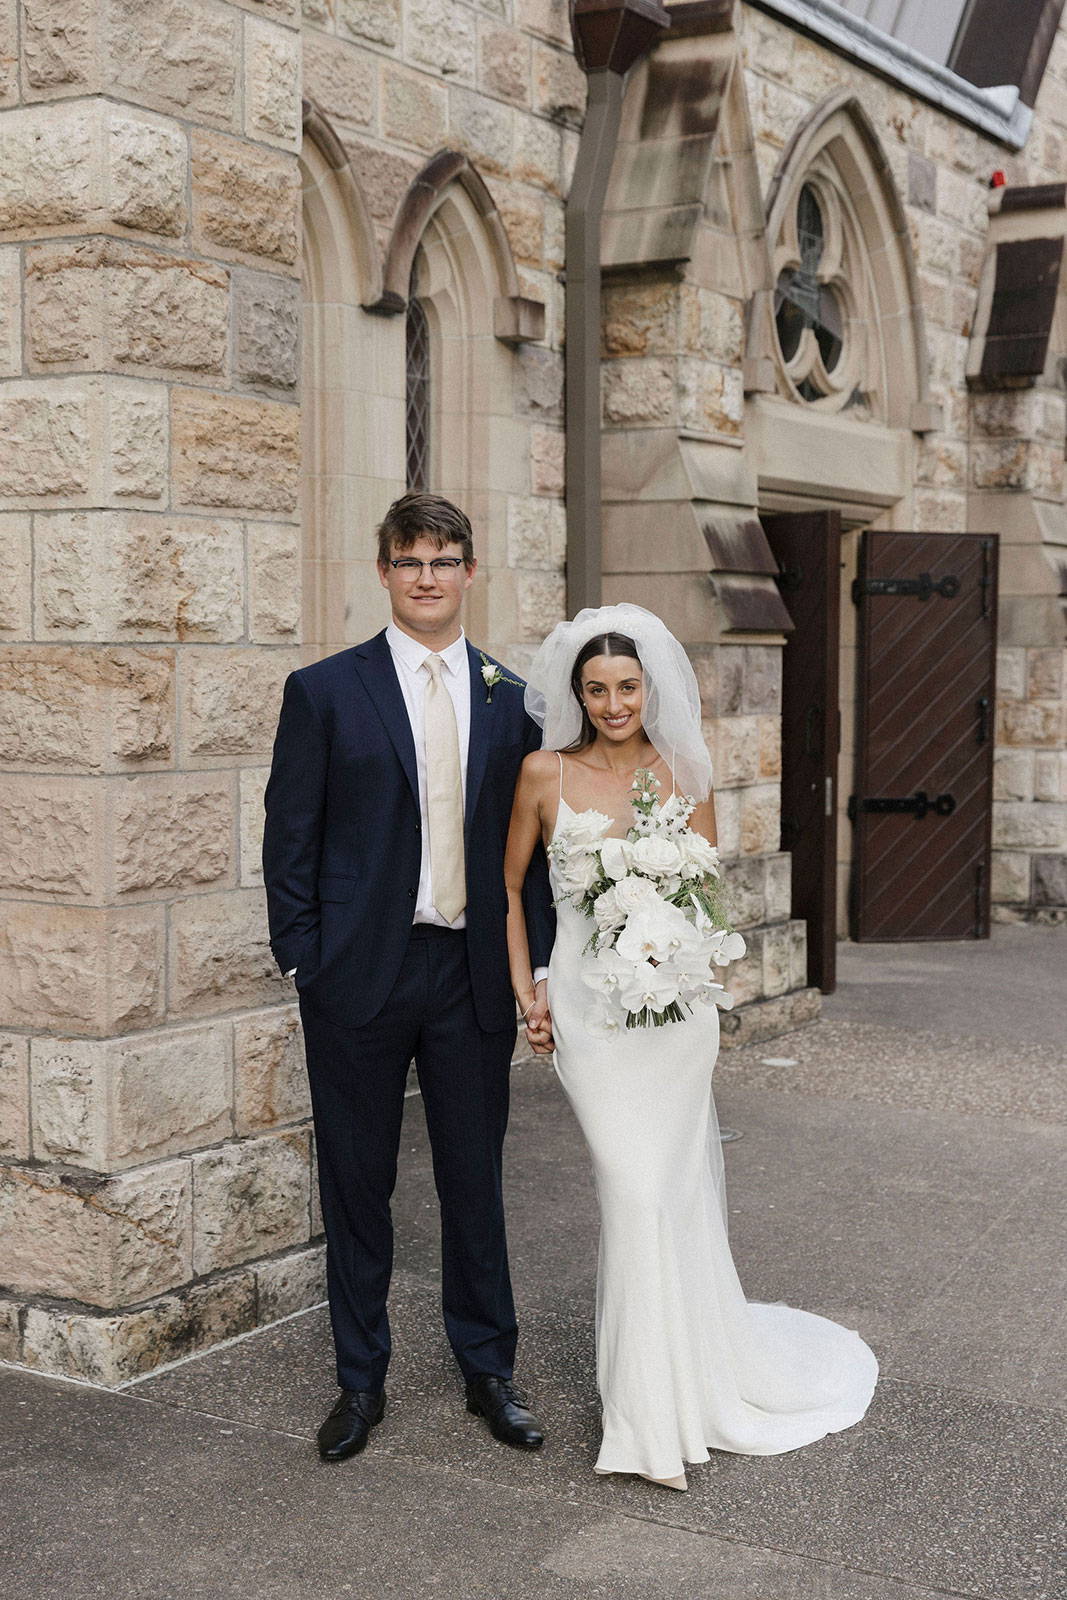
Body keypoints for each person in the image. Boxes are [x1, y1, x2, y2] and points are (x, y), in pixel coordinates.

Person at [504, 603, 878, 1490]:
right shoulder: (539, 775)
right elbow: (504, 892)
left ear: (650, 688)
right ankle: (648, 1413)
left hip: (672, 1024)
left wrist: (685, 972)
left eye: (626, 687)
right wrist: (531, 991)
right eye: (595, 690)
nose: (612, 703)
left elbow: (706, 908)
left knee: (662, 1199)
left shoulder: (684, 775)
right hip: (591, 1025)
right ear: (577, 695)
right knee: (631, 1193)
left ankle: (662, 1411)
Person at [263, 493, 555, 1463]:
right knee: (358, 1183)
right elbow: (289, 836)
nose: (426, 576)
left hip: (468, 973)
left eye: (443, 559)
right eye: (409, 560)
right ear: (383, 572)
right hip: (357, 978)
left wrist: (534, 972)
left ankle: (488, 1370)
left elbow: (531, 858)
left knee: (474, 1182)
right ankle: (359, 1380)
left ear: (470, 571)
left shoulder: (512, 699)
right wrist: (305, 956)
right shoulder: (324, 691)